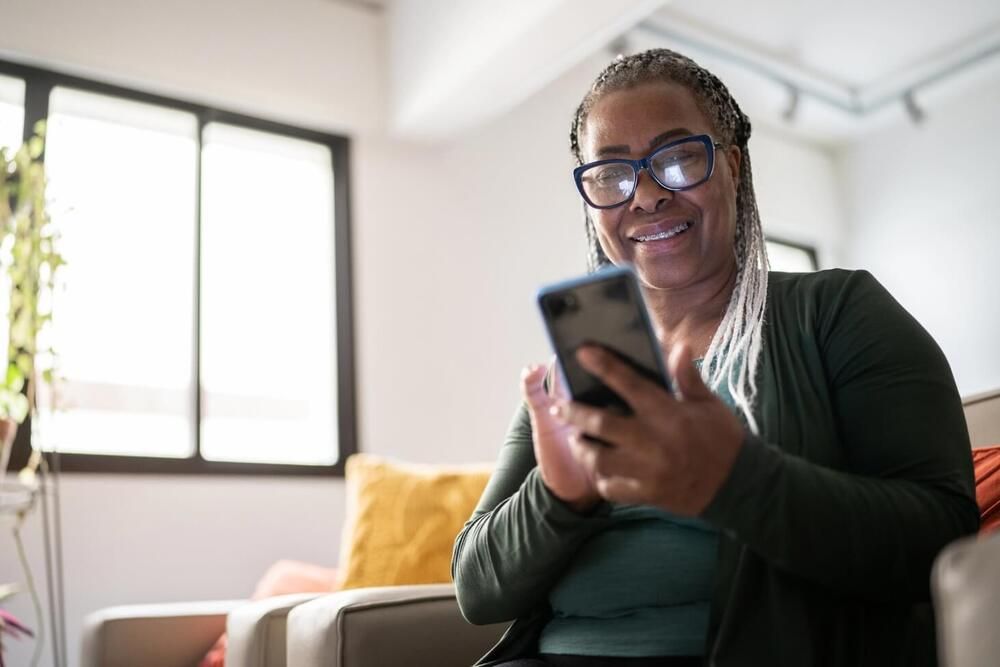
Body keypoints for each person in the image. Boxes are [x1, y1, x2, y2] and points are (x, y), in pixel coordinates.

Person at [451, 48, 979, 667]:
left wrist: (733, 479)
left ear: (731, 165)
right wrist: (561, 495)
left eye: (676, 159)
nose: (644, 196)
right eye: (611, 175)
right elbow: (477, 589)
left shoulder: (838, 312)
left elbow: (942, 542)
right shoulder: (579, 370)